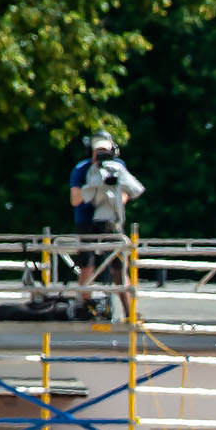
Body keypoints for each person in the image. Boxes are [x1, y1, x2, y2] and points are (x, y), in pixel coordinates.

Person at [69, 131, 144, 306]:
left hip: (110, 220)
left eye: (105, 151)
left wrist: (111, 193)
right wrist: (94, 184)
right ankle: (84, 308)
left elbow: (128, 193)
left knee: (118, 266)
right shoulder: (81, 170)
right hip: (86, 221)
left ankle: (129, 310)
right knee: (87, 264)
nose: (102, 155)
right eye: (98, 151)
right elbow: (75, 199)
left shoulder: (117, 166)